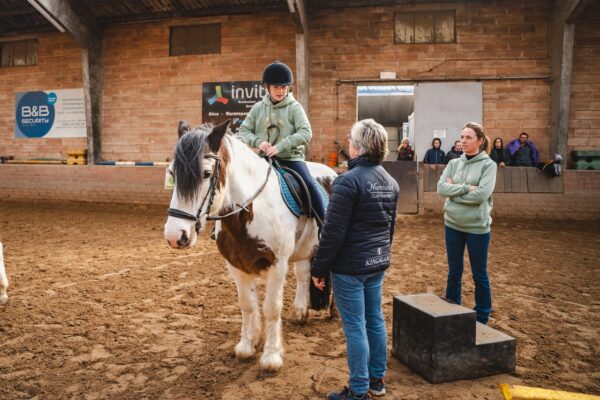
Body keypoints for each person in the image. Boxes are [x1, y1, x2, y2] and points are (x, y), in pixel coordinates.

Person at [311, 119, 400, 400]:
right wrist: (382, 256)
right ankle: (377, 381)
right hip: (377, 261)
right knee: (374, 320)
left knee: (355, 327)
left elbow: (332, 233)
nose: (348, 143)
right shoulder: (391, 181)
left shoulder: (346, 182)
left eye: (351, 140)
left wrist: (319, 268)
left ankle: (359, 390)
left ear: (359, 148)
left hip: (350, 267)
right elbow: (390, 228)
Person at [239, 61, 325, 223]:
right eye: (276, 87)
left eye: (284, 87)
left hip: (291, 160)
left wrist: (280, 147)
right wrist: (258, 142)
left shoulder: (295, 108)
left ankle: (324, 223)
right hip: (263, 159)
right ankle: (220, 227)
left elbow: (306, 132)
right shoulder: (258, 108)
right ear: (267, 87)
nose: (280, 91)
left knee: (309, 184)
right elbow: (243, 130)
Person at [437, 122, 497, 325]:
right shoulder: (454, 163)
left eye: (468, 137)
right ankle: (452, 306)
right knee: (454, 271)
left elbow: (482, 195)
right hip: (452, 224)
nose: (463, 141)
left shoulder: (489, 165)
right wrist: (466, 189)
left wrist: (454, 194)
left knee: (479, 273)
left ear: (480, 141)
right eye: (462, 137)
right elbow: (441, 188)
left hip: (476, 228)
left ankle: (482, 315)